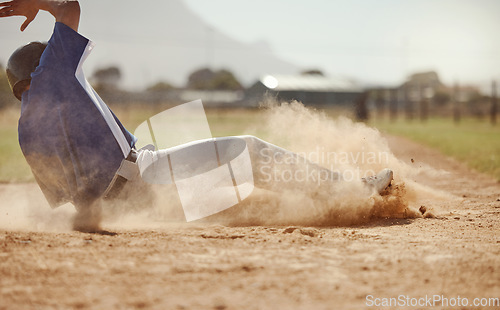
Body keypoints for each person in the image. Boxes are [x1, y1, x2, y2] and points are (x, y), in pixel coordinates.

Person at [0, 0, 393, 232]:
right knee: (250, 152)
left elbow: (69, 198)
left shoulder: (25, 133)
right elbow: (70, 6)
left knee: (238, 193)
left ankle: (327, 206)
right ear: (37, 68)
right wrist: (41, 4)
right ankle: (353, 195)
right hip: (147, 177)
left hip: (131, 208)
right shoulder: (51, 73)